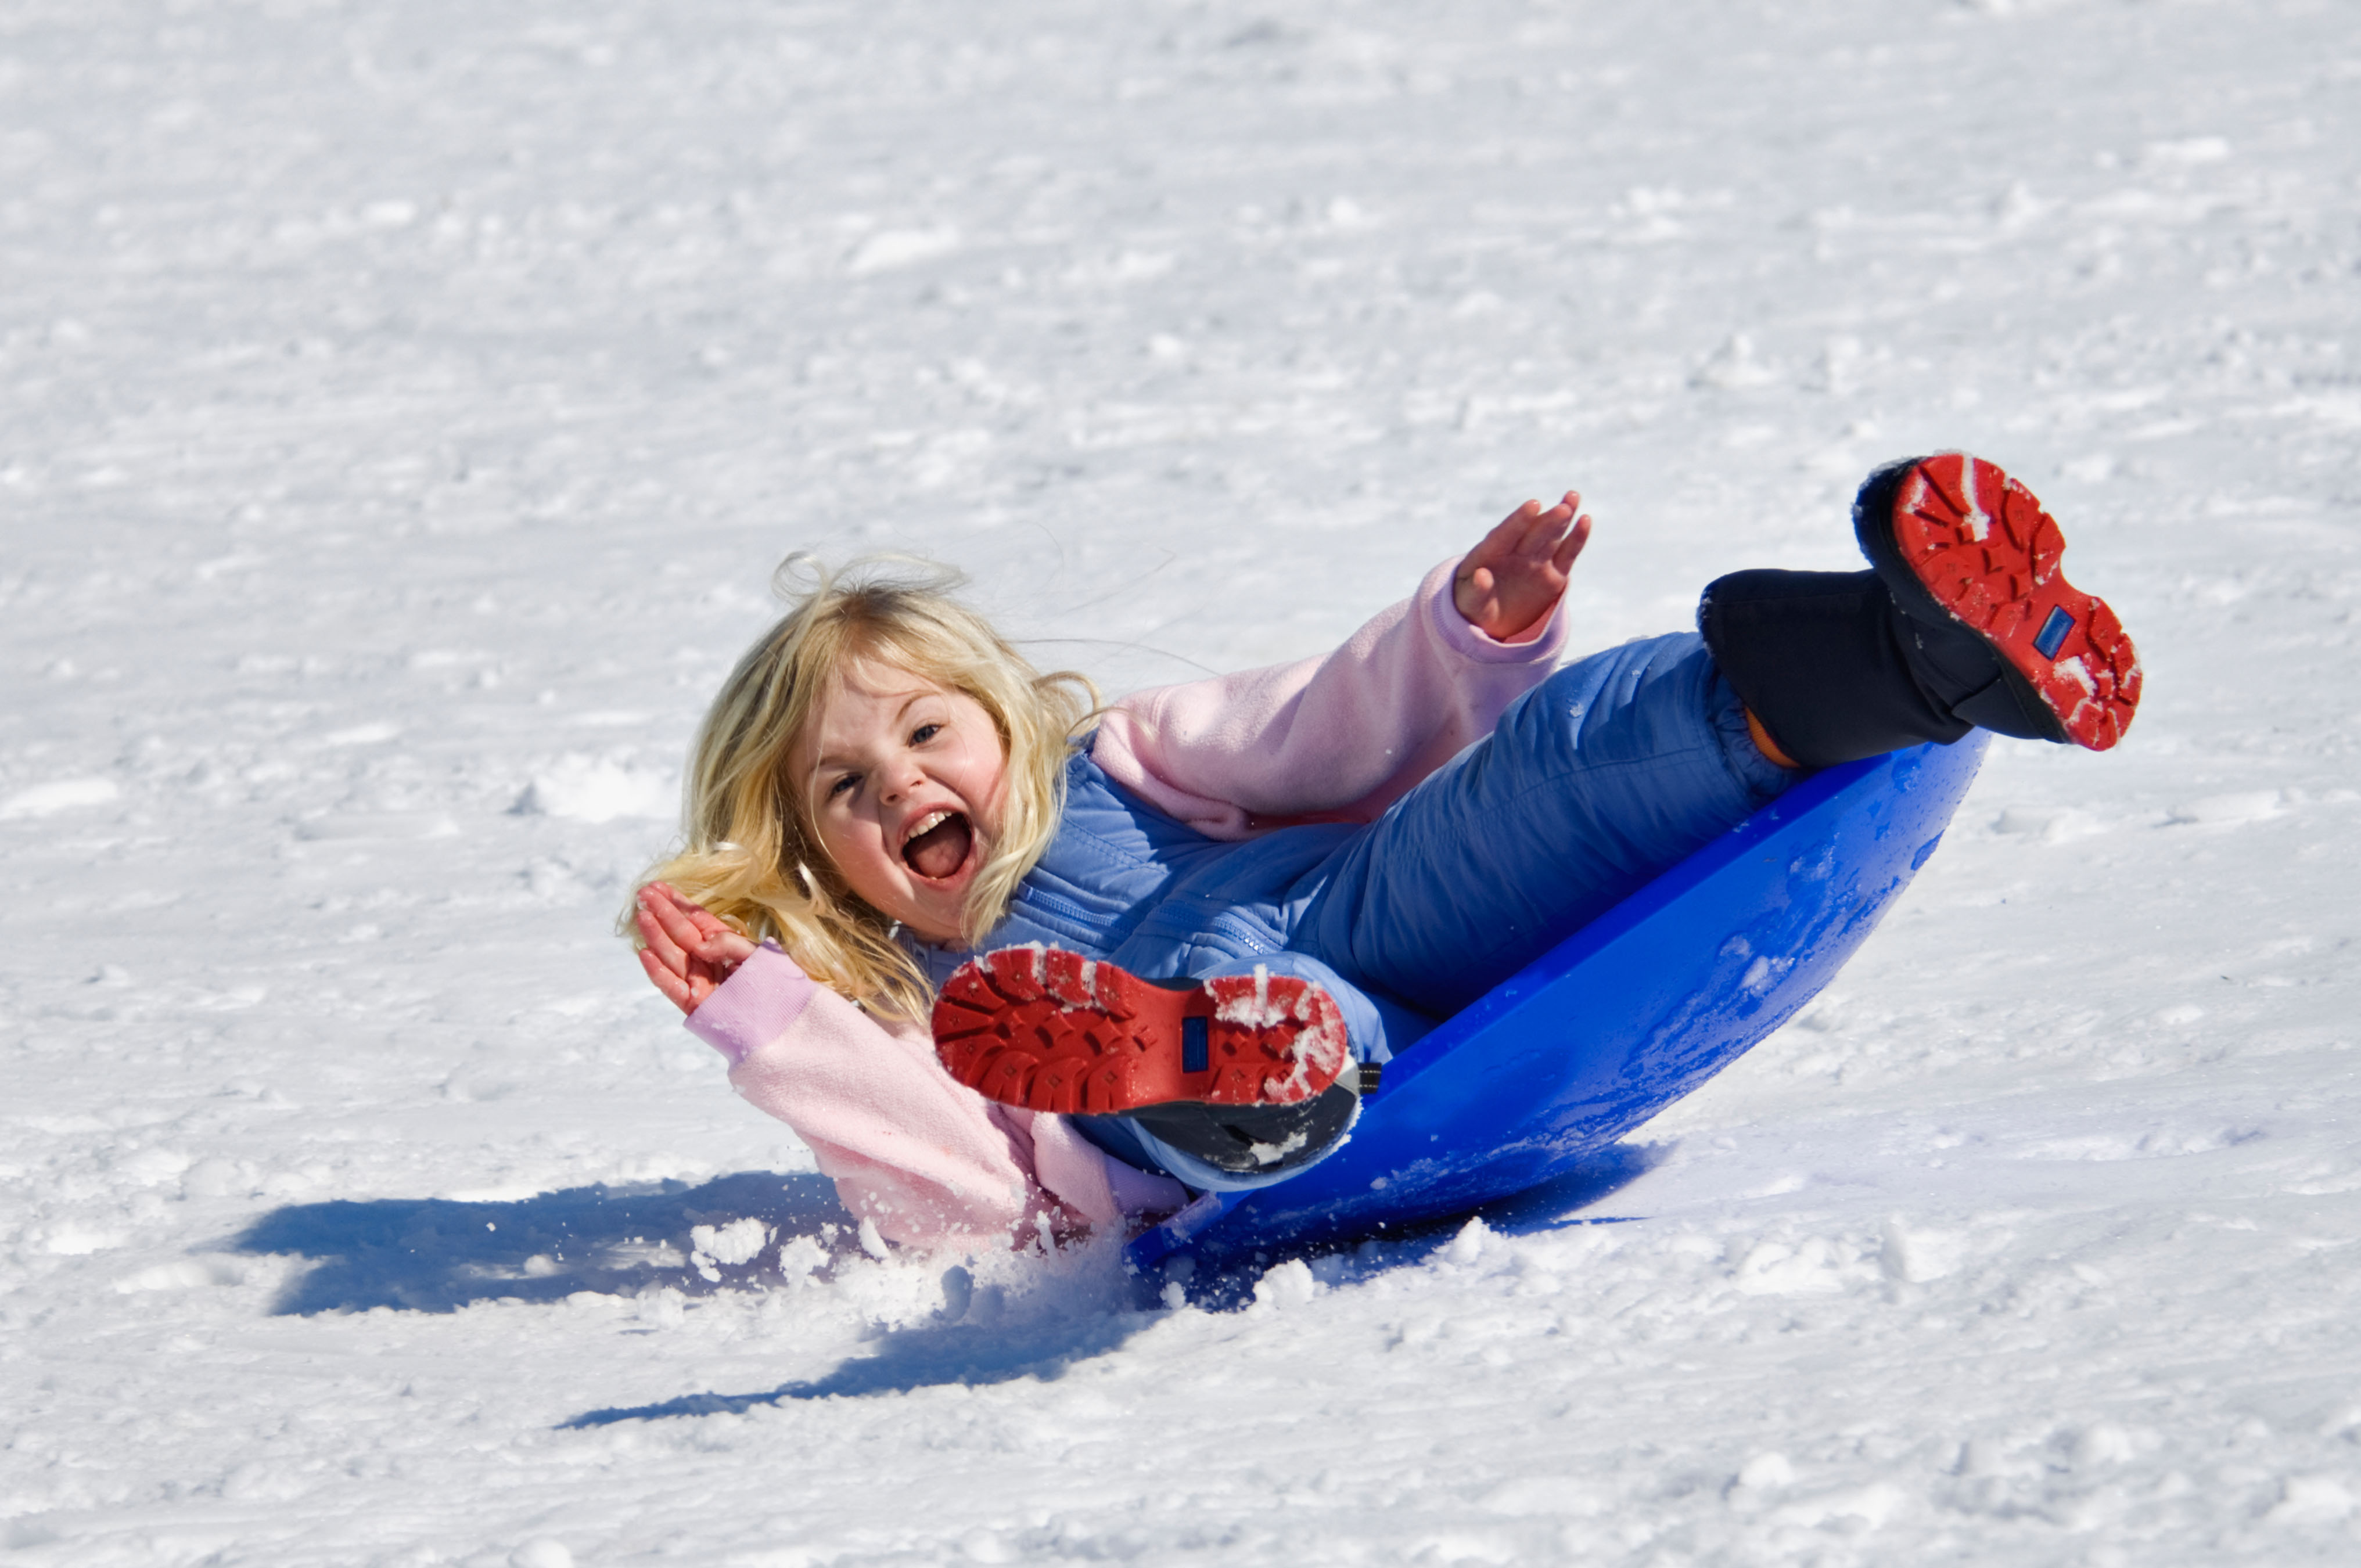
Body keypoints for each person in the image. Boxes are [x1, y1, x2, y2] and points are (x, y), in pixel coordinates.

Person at [629, 454, 2140, 1253]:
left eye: (924, 732)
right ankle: (1225, 1077)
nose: (900, 786)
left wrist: (1456, 636)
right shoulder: (920, 1003)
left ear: (1001, 716)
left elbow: (1320, 729)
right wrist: (768, 1020)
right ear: (816, 864)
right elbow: (943, 1185)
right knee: (1260, 1031)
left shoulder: (1125, 762)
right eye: (842, 786)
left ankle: (1924, 652)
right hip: (1206, 1060)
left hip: (1358, 892)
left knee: (1573, 749)